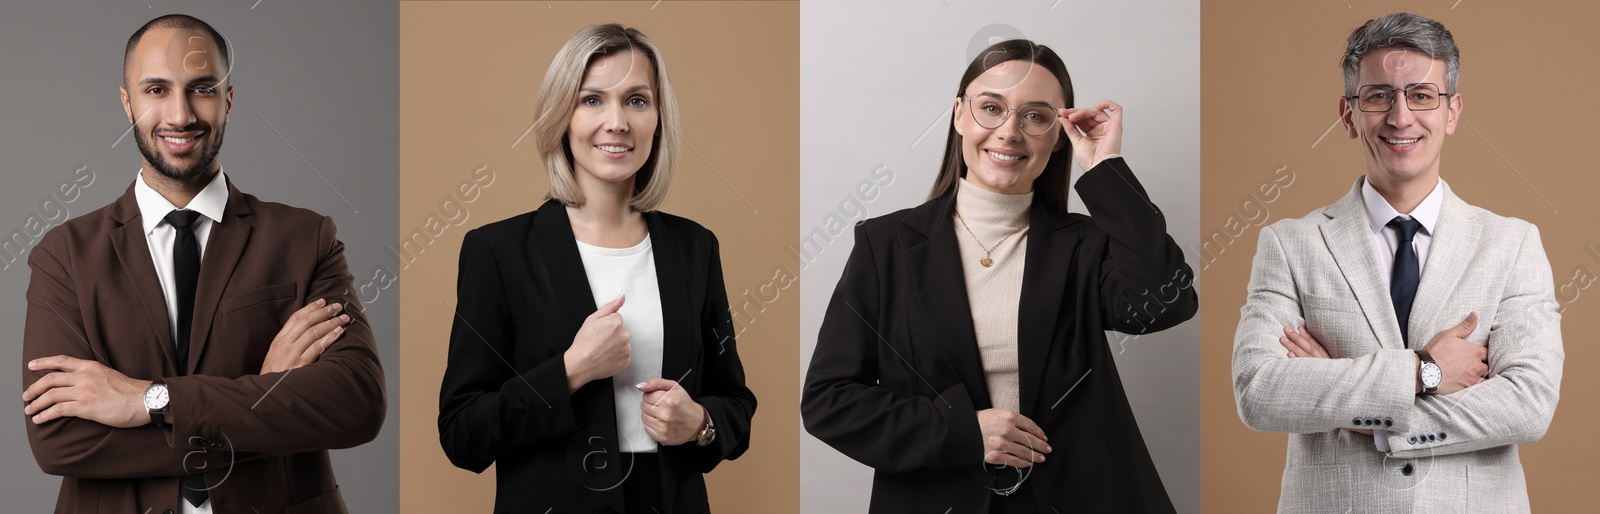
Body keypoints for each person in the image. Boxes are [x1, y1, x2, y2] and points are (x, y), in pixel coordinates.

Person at [801, 38, 1198, 513]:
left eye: (1035, 116)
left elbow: (1165, 303)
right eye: (991, 107)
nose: (1009, 132)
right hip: (936, 496)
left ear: (1057, 133)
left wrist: (1105, 168)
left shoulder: (1085, 244)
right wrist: (963, 431)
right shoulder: (885, 245)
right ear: (958, 115)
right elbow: (830, 402)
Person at [21, 14, 386, 514]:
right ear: (127, 103)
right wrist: (263, 394)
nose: (180, 114)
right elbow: (60, 442)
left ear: (228, 101)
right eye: (155, 89)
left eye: (202, 89)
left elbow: (356, 404)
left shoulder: (306, 238)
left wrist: (149, 401)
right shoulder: (64, 255)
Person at [1231, 12, 1563, 513]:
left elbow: (1528, 404)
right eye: (1379, 95)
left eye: (1422, 96)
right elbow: (1260, 391)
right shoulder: (1290, 244)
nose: (1401, 117)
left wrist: (1365, 418)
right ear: (1348, 114)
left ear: (1451, 113)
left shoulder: (1512, 244)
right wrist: (1424, 372)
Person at [436, 23, 756, 514]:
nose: (617, 122)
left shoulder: (696, 248)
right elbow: (461, 434)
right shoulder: (497, 251)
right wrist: (569, 370)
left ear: (658, 119)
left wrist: (701, 423)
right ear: (561, 116)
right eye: (591, 100)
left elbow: (735, 402)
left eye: (636, 100)